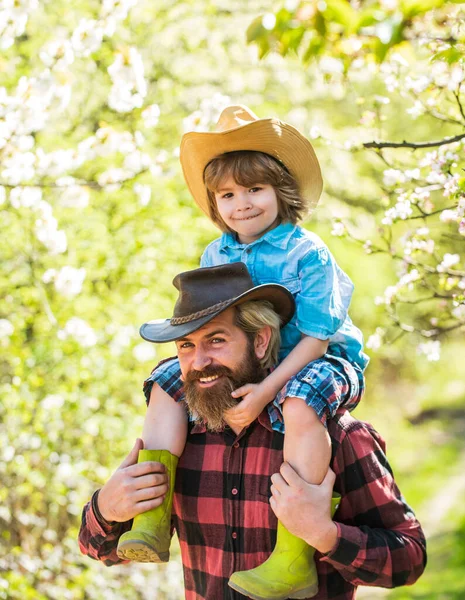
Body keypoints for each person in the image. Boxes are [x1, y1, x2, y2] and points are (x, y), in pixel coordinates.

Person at [116, 105, 370, 598]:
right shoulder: (217, 254)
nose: (242, 204)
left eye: (255, 189)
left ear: (281, 192)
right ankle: (151, 514)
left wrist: (262, 394)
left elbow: (317, 336)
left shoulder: (307, 252)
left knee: (300, 400)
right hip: (254, 357)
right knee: (167, 381)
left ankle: (292, 555)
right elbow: (212, 323)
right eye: (227, 195)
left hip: (317, 358)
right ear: (215, 203)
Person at [79, 263, 426, 600]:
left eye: (216, 340)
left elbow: (409, 558)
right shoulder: (178, 437)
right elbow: (106, 553)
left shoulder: (333, 436)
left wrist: (325, 534)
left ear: (260, 341)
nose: (198, 362)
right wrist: (106, 507)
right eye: (186, 345)